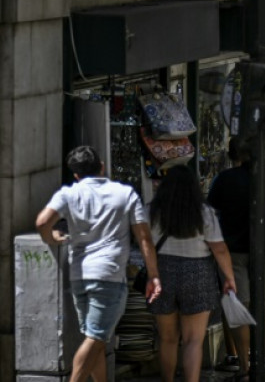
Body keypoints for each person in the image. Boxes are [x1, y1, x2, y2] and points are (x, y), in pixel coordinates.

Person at [35, 146, 162, 382]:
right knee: (96, 337)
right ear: (102, 166)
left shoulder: (68, 194)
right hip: (109, 276)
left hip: (79, 276)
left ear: (75, 174)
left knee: (96, 340)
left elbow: (43, 221)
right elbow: (144, 237)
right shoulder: (125, 194)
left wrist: (50, 238)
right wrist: (153, 275)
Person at [142, 166, 237, 382]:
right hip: (198, 272)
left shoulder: (150, 211)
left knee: (167, 339)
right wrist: (229, 278)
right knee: (193, 340)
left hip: (162, 271)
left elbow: (144, 242)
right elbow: (219, 249)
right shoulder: (204, 213)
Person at [207, 138, 265, 375]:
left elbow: (211, 210)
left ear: (231, 155)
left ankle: (245, 364)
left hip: (233, 250)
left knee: (239, 305)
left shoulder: (224, 180)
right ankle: (258, 360)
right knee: (261, 305)